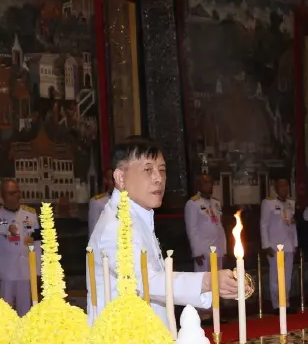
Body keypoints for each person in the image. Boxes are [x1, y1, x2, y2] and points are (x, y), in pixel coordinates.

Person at [87, 137, 248, 324]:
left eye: (162, 170)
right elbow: (146, 282)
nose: (158, 179)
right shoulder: (115, 226)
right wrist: (207, 281)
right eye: (148, 170)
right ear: (121, 178)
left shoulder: (137, 217)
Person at [0, 178, 39, 317]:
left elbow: (37, 244)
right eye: (10, 193)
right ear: (2, 195)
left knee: (27, 313)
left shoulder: (31, 215)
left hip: (26, 272)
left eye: (16, 192)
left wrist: (38, 271)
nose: (14, 196)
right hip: (5, 273)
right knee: (5, 314)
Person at [261, 178, 298, 311]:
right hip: (274, 245)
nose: (284, 188)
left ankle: (285, 302)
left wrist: (295, 243)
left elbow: (292, 224)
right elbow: (264, 224)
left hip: (288, 244)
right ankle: (277, 305)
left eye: (286, 186)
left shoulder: (290, 203)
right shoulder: (268, 203)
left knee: (287, 276)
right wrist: (266, 245)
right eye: (281, 186)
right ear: (276, 188)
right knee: (276, 276)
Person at [184, 173, 227, 274]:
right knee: (203, 282)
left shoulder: (216, 203)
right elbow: (192, 229)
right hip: (203, 252)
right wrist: (196, 252)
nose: (209, 185)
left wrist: (224, 250)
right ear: (198, 185)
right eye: (205, 183)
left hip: (217, 249)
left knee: (218, 281)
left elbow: (220, 227)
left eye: (211, 183)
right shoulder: (193, 203)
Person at [87, 168, 114, 236]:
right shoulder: (98, 203)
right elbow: (94, 234)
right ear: (106, 181)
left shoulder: (132, 201)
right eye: (112, 179)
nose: (115, 182)